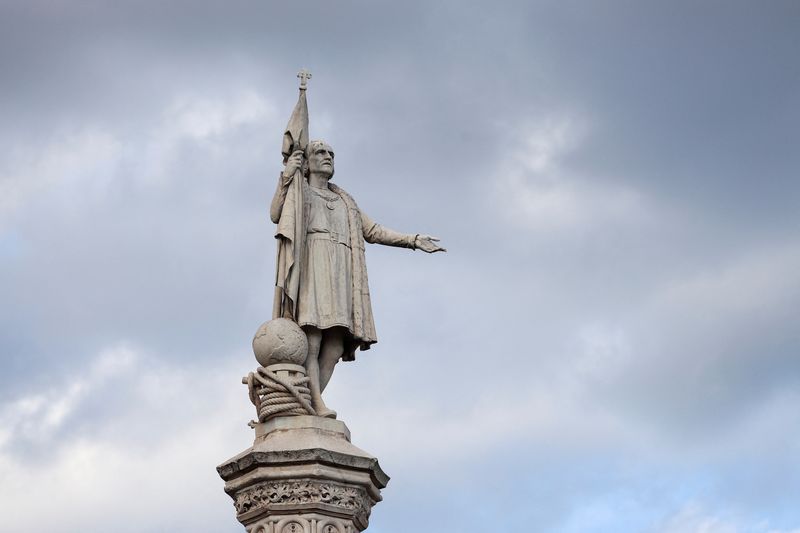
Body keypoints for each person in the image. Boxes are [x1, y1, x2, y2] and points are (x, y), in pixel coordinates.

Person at [270, 140, 445, 418]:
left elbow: (373, 230)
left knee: (336, 344)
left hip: (341, 269)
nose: (327, 157)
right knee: (312, 338)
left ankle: (308, 403)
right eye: (320, 153)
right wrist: (287, 176)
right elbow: (276, 214)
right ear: (307, 162)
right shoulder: (300, 192)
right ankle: (315, 403)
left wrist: (412, 240)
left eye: (331, 154)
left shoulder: (345, 201)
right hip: (314, 262)